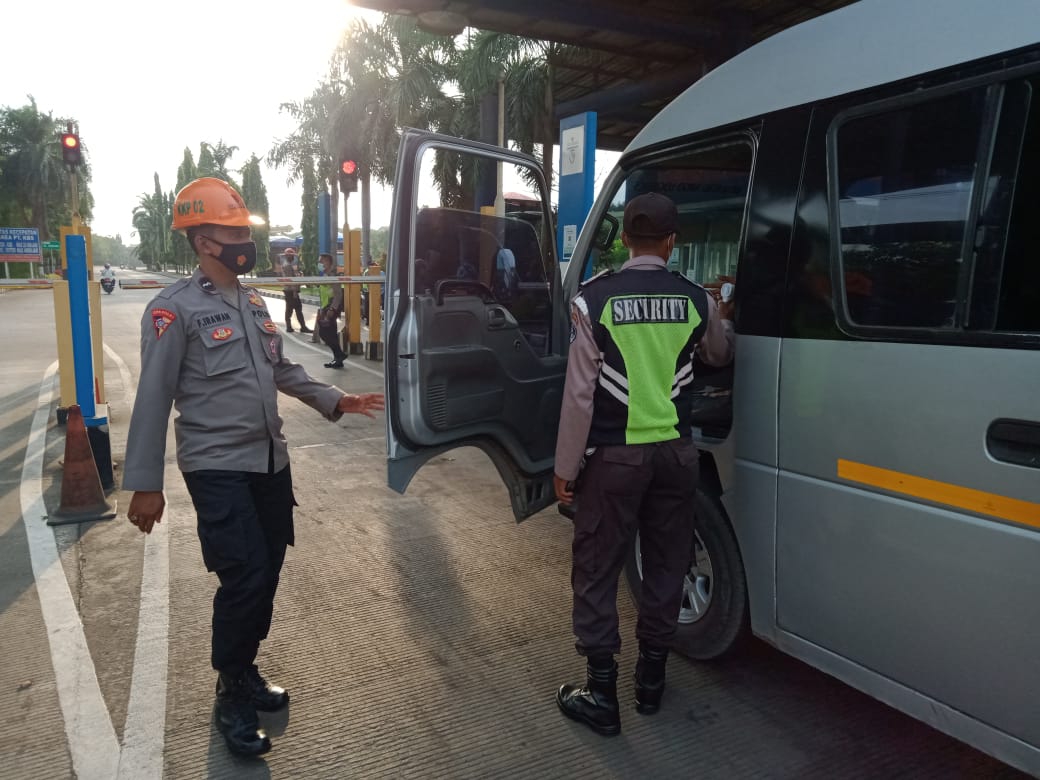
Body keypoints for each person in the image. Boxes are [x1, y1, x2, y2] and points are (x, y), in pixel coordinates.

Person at [122, 177, 384, 758]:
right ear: (203, 241)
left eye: (247, 232)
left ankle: (243, 669)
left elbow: (281, 370)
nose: (246, 242)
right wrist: (145, 484)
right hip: (216, 463)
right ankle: (229, 691)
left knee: (266, 569)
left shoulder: (253, 302)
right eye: (234, 232)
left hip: (270, 457)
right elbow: (153, 397)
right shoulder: (173, 310)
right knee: (242, 574)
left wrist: (335, 398)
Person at [552, 192, 735, 736]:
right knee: (666, 563)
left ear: (626, 239)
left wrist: (565, 468)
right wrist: (719, 311)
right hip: (677, 457)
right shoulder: (693, 300)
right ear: (673, 241)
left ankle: (601, 694)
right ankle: (651, 684)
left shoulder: (594, 300)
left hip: (613, 460)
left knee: (596, 569)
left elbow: (579, 397)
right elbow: (719, 355)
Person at [316, 252, 348, 368]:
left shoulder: (333, 275)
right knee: (331, 333)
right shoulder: (325, 275)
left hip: (331, 307)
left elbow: (338, 294)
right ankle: (338, 359)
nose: (319, 263)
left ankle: (339, 355)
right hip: (325, 306)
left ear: (328, 262)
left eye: (322, 261)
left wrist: (332, 309)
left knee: (324, 333)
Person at [280, 248, 311, 333]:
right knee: (296, 308)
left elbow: (296, 276)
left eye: (292, 255)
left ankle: (290, 327)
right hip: (290, 290)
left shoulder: (289, 263)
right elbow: (292, 279)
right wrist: (294, 292)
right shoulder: (288, 265)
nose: (291, 256)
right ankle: (301, 327)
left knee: (291, 309)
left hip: (290, 290)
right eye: (289, 255)